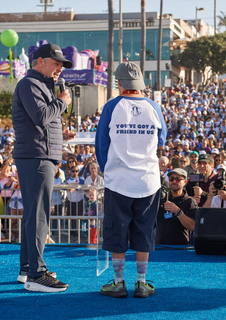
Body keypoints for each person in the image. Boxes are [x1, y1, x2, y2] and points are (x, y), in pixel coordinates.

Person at [95, 61, 166, 299]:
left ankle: (118, 282)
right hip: (148, 181)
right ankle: (142, 283)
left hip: (119, 181)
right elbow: (161, 141)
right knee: (144, 231)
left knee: (118, 232)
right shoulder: (154, 106)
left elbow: (101, 144)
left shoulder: (112, 106)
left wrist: (109, 170)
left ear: (118, 83)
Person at [12, 43, 75, 292]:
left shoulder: (41, 85)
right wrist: (61, 102)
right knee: (39, 215)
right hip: (36, 157)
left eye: (62, 64)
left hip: (38, 155)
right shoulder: (29, 84)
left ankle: (27, 268)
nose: (60, 68)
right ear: (40, 61)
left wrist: (61, 135)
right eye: (56, 62)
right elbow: (40, 117)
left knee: (33, 214)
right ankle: (37, 274)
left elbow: (42, 122)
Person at [156, 168, 198, 245]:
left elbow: (193, 227)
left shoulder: (189, 201)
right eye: (171, 179)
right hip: (160, 247)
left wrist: (178, 212)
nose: (174, 181)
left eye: (178, 179)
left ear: (185, 182)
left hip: (181, 248)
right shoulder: (162, 198)